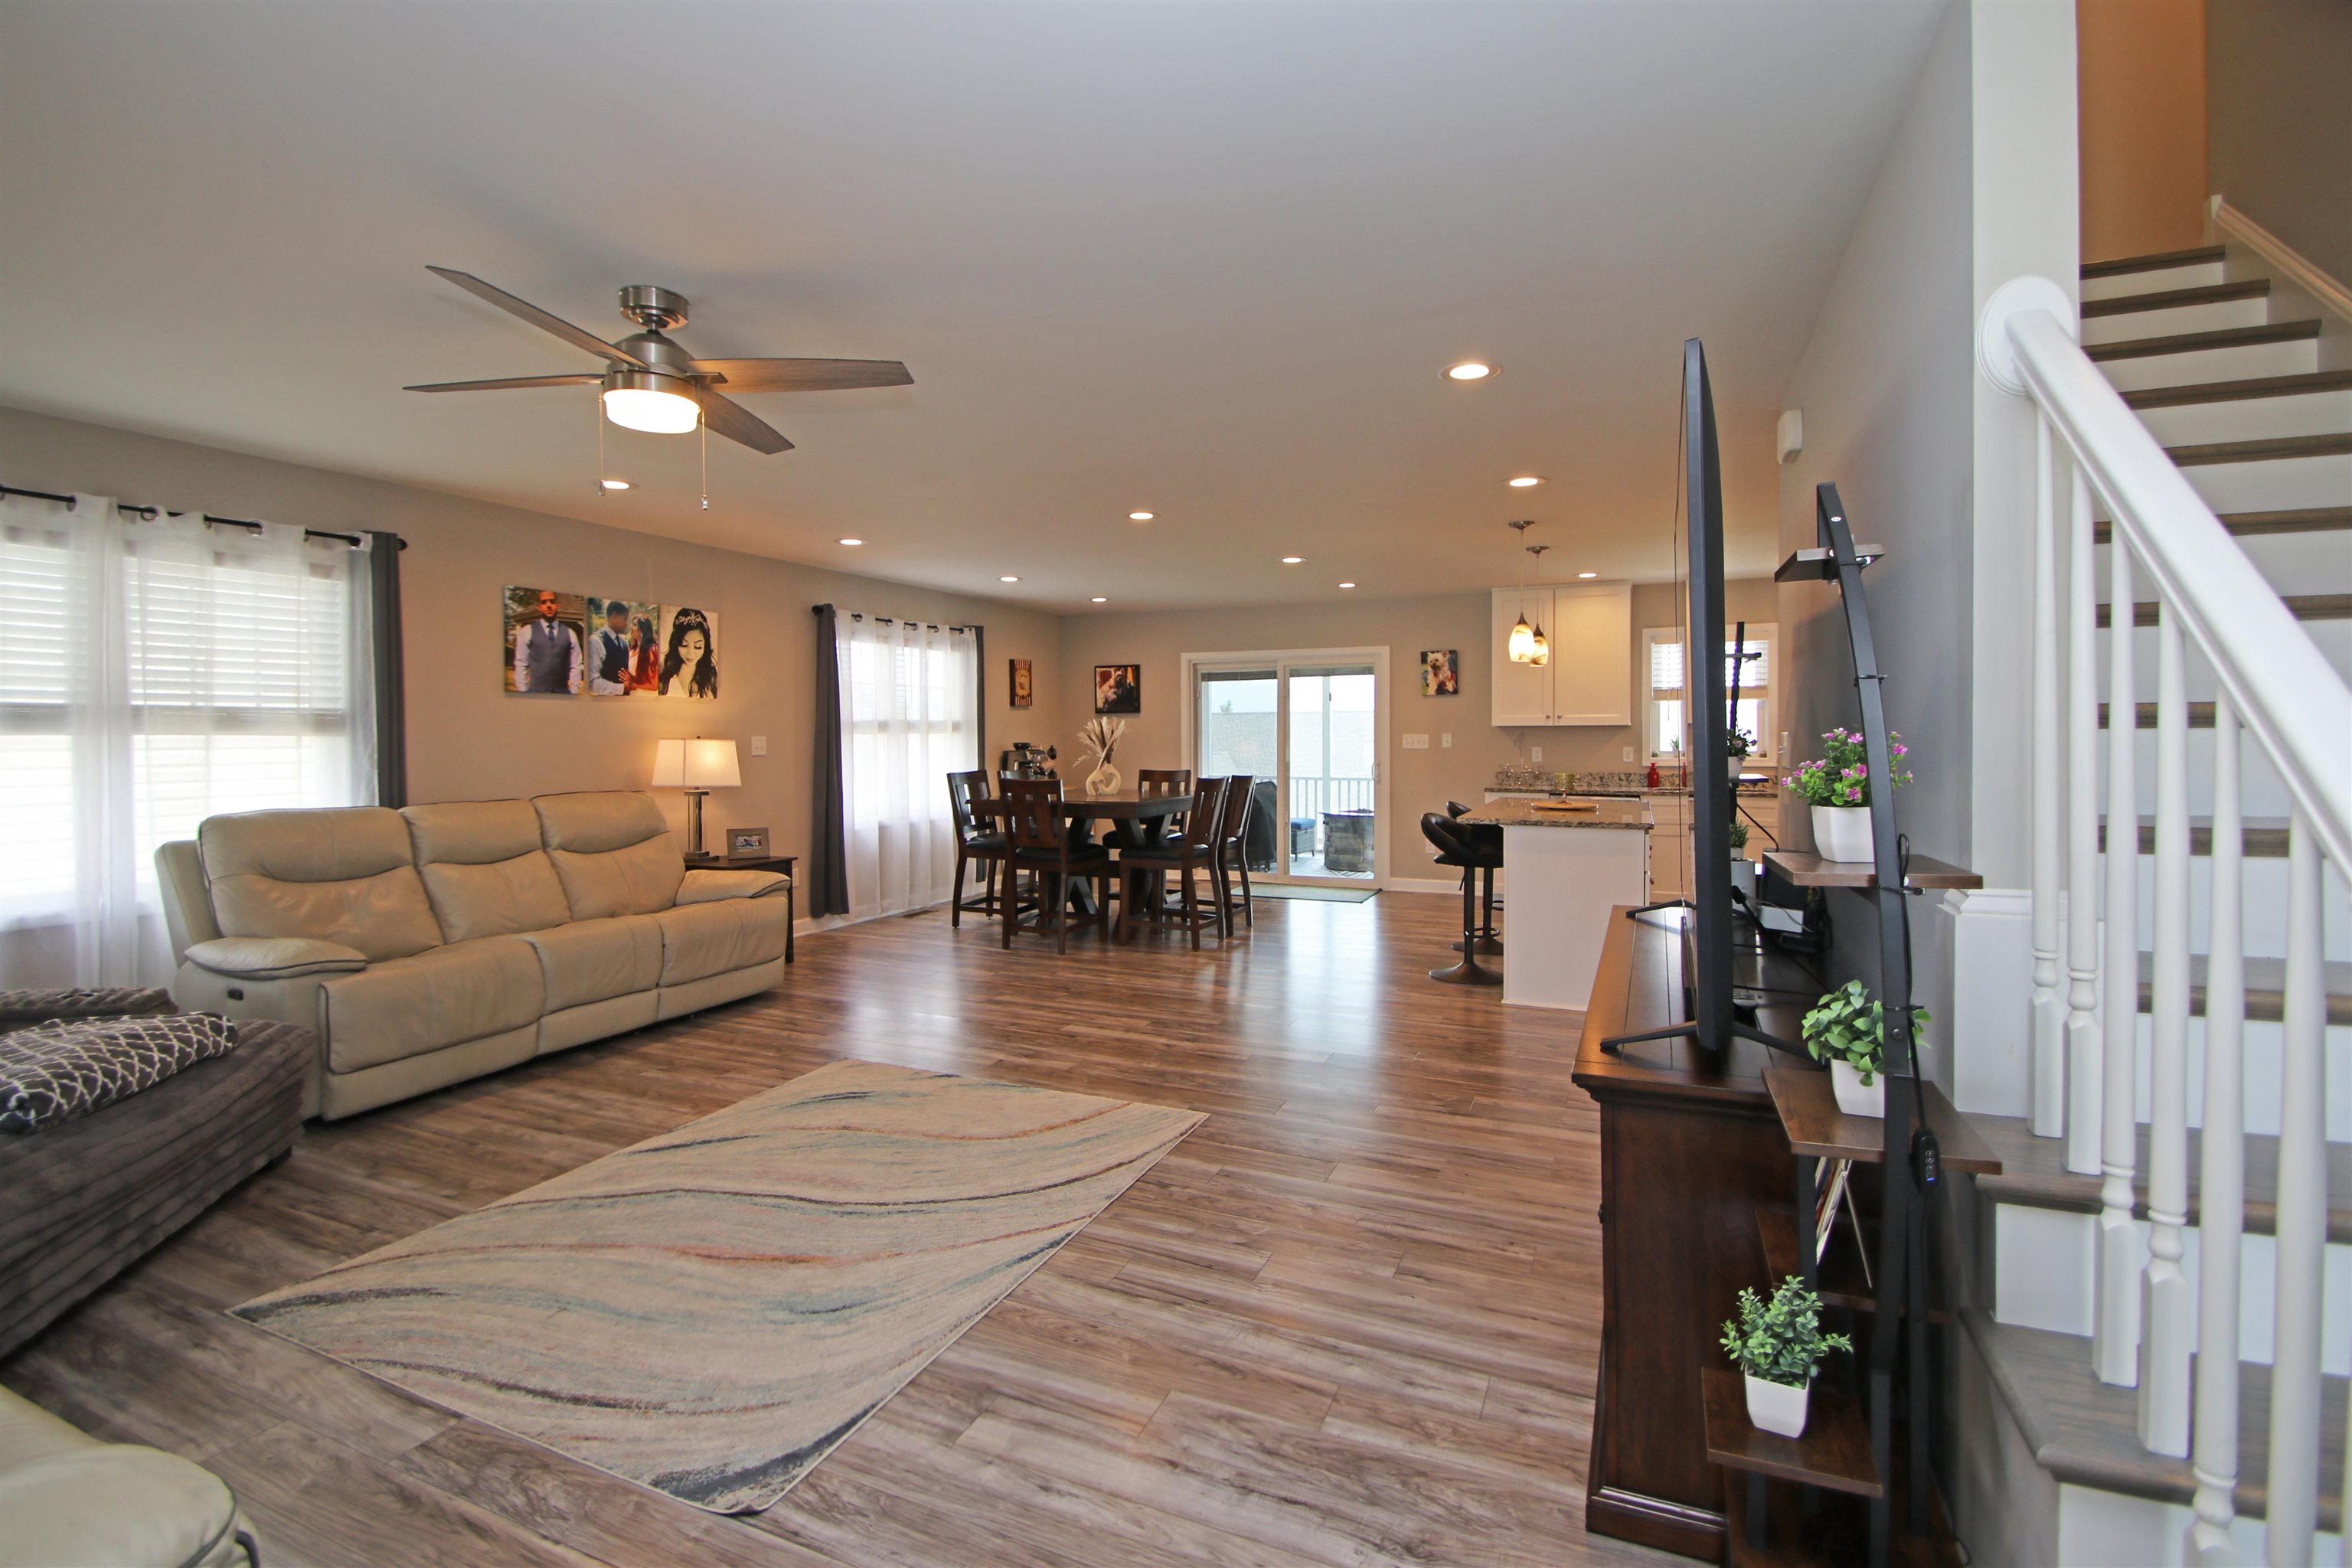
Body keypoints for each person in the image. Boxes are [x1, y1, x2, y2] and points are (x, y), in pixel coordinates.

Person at [512, 588, 581, 694]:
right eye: (544, 602)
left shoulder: (570, 634)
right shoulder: (527, 632)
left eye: (552, 602)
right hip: (535, 693)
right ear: (539, 607)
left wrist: (573, 691)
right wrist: (523, 692)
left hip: (563, 694)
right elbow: (521, 663)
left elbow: (576, 665)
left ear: (557, 606)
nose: (548, 605)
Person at [660, 606, 718, 698]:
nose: (691, 654)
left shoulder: (711, 675)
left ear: (705, 646)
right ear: (676, 643)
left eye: (698, 646)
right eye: (684, 644)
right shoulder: (665, 667)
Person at [588, 599, 634, 695]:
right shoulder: (596, 640)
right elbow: (593, 682)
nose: (627, 624)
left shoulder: (624, 643)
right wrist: (621, 688)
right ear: (615, 616)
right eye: (625, 619)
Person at [627, 613, 659, 691]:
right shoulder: (632, 649)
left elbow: (654, 685)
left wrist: (631, 684)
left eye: (634, 625)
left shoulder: (651, 651)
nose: (631, 627)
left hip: (645, 697)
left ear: (642, 631)